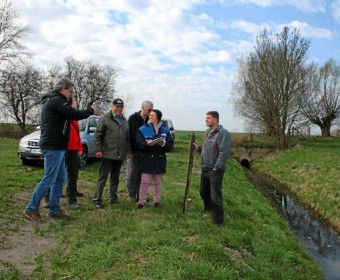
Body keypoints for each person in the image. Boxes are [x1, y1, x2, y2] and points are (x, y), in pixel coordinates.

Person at [23, 77, 99, 222]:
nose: (71, 94)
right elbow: (75, 114)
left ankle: (54, 209)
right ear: (63, 89)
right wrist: (91, 110)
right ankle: (31, 208)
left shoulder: (56, 101)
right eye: (70, 91)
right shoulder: (56, 101)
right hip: (52, 147)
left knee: (60, 178)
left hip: (57, 146)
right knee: (49, 179)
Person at [42, 98, 84, 210]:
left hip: (74, 151)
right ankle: (47, 198)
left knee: (73, 176)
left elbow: (77, 135)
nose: (76, 104)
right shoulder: (63, 118)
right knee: (54, 174)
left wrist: (79, 148)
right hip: (63, 150)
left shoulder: (74, 119)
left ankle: (72, 200)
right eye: (74, 103)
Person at [193, 111, 231, 226]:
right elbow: (207, 149)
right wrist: (198, 148)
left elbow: (224, 152)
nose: (206, 120)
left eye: (208, 118)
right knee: (203, 191)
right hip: (205, 168)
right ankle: (208, 210)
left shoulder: (223, 133)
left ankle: (218, 221)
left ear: (215, 119)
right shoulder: (207, 132)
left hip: (215, 170)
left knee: (216, 196)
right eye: (206, 118)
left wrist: (216, 168)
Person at [92, 98, 131, 208]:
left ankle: (113, 198)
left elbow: (127, 138)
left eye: (120, 107)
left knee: (115, 178)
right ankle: (97, 200)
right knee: (102, 177)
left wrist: (129, 150)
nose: (118, 109)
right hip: (107, 153)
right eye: (116, 107)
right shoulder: (105, 119)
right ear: (112, 107)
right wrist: (98, 149)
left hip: (120, 154)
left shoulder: (124, 120)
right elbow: (97, 136)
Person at [136, 109, 174, 209]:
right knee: (144, 182)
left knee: (158, 182)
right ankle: (141, 202)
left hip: (159, 159)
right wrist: (146, 143)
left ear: (158, 117)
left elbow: (170, 147)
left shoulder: (165, 130)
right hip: (146, 159)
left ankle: (156, 201)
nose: (150, 117)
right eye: (150, 115)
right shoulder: (143, 129)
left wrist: (164, 143)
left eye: (153, 115)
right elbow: (138, 144)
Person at [126, 100, 154, 201]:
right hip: (134, 150)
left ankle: (141, 195)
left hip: (145, 151)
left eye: (152, 110)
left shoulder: (150, 120)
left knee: (143, 174)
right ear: (143, 108)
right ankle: (131, 194)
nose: (151, 112)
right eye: (149, 109)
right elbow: (128, 134)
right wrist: (129, 150)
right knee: (132, 173)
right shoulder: (133, 118)